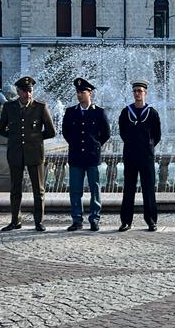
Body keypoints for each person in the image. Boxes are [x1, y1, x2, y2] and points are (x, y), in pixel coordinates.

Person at [0, 76, 56, 231]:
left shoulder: (40, 107)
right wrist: (14, 137)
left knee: (38, 189)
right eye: (24, 91)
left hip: (35, 153)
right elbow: (0, 128)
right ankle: (15, 220)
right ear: (18, 91)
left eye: (30, 90)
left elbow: (51, 131)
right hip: (15, 152)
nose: (28, 94)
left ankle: (39, 221)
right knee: (15, 189)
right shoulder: (10, 107)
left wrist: (35, 138)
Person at [62, 77, 111, 232]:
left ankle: (94, 219)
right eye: (78, 92)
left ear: (90, 93)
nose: (79, 94)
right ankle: (77, 220)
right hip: (76, 156)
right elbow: (66, 133)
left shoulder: (99, 112)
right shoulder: (70, 112)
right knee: (75, 190)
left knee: (95, 189)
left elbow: (106, 133)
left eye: (82, 92)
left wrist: (95, 145)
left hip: (92, 157)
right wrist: (77, 145)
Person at [118, 79, 162, 232]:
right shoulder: (126, 112)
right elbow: (122, 132)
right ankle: (126, 221)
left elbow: (157, 135)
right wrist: (132, 145)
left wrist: (148, 146)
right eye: (135, 90)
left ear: (145, 93)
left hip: (146, 157)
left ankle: (151, 221)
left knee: (148, 189)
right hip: (130, 156)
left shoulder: (152, 113)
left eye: (140, 91)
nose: (137, 93)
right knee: (128, 189)